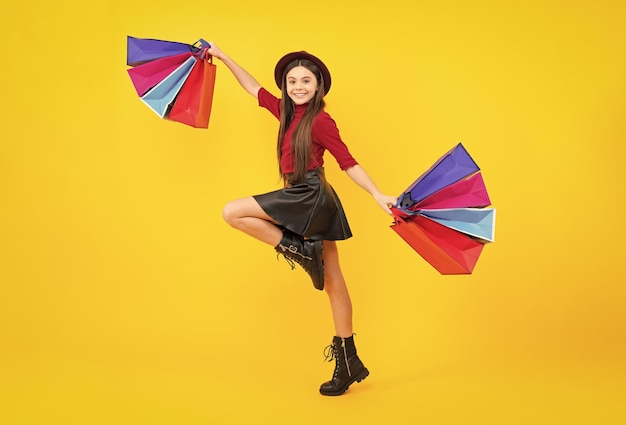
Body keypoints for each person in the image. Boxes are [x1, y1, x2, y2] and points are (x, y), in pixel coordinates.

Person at [207, 43, 397, 396]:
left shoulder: (321, 120)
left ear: (317, 86)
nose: (298, 86)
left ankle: (298, 251)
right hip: (305, 195)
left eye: (305, 81)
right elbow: (252, 87)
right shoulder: (284, 110)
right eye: (292, 81)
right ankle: (350, 361)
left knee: (232, 212)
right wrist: (222, 55)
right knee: (333, 283)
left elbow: (348, 161)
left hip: (310, 195)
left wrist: (377, 194)